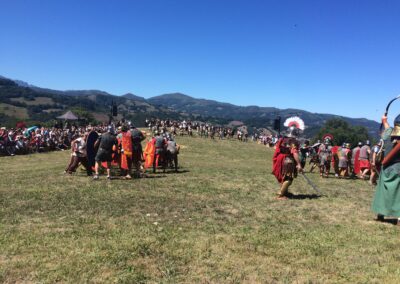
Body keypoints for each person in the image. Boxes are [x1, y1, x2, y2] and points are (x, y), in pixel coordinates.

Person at [371, 114, 400, 222]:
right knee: (398, 192)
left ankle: (380, 214)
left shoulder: (389, 134)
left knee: (383, 191)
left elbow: (387, 127)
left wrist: (384, 120)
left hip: (386, 167)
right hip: (397, 167)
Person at [272, 117, 304, 200]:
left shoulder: (283, 139)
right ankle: (281, 195)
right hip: (288, 161)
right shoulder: (293, 141)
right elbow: (295, 153)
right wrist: (299, 164)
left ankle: (285, 192)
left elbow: (277, 148)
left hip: (281, 159)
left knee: (284, 177)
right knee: (289, 179)